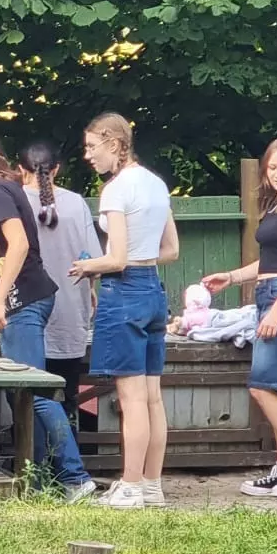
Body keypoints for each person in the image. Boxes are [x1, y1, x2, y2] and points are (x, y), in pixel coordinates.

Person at [0, 132, 97, 502]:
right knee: (25, 394)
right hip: (34, 297)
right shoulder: (10, 188)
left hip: (24, 301)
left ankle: (76, 478)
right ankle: (37, 482)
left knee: (35, 393)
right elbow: (1, 248)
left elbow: (20, 245)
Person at [69, 113, 179, 509]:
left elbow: (115, 259)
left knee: (131, 400)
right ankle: (151, 485)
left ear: (114, 144)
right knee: (152, 398)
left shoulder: (115, 190)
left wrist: (86, 266)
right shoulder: (156, 184)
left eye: (92, 147)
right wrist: (137, 258)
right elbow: (171, 250)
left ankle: (130, 487)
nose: (88, 155)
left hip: (124, 291)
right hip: (153, 291)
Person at [203, 135, 277, 499]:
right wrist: (232, 277)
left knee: (264, 386)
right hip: (269, 292)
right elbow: (271, 261)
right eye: (272, 167)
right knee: (275, 387)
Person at [18, 137, 99, 430]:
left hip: (26, 316)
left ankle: (34, 456)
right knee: (66, 399)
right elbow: (93, 260)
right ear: (57, 169)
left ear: (20, 170)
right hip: (70, 314)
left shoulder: (11, 202)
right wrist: (91, 288)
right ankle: (68, 456)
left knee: (28, 401)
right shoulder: (76, 203)